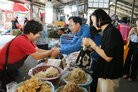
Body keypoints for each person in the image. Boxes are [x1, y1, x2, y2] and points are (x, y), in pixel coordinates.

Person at [0, 20, 55, 90]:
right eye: (38, 33)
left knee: (13, 78)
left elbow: (37, 50)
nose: (38, 35)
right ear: (31, 33)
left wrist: (50, 51)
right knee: (7, 86)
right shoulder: (22, 40)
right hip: (4, 66)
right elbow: (37, 56)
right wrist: (50, 52)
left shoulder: (28, 39)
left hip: (12, 66)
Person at [82, 9, 124, 92]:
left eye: (93, 21)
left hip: (110, 73)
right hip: (105, 71)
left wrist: (92, 44)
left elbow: (108, 57)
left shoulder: (112, 32)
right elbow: (105, 50)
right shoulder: (107, 31)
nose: (93, 24)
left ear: (100, 19)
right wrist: (92, 48)